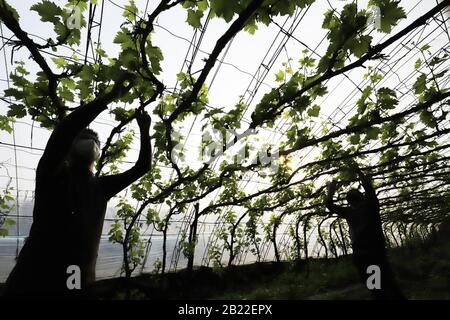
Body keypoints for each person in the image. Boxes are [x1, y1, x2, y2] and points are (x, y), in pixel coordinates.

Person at [4, 106, 151, 299]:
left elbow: (142, 167)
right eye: (82, 136)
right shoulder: (52, 175)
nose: (90, 140)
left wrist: (144, 130)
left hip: (73, 284)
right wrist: (107, 98)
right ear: (67, 149)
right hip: (34, 281)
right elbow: (65, 130)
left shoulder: (101, 186)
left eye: (93, 139)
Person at [325, 167, 405, 300]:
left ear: (349, 202)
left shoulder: (349, 212)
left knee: (376, 288)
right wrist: (359, 173)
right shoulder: (370, 207)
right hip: (375, 254)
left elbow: (329, 205)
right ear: (362, 198)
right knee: (388, 286)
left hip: (362, 257)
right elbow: (369, 190)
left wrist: (331, 191)